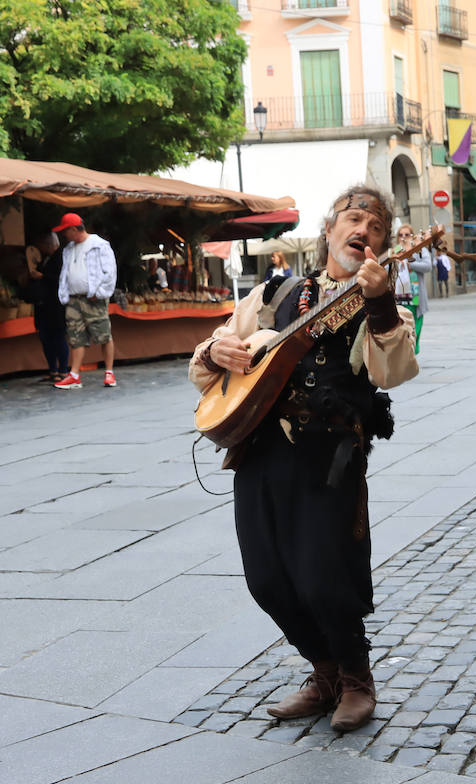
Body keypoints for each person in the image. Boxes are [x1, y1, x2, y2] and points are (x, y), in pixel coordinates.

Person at [189, 185, 418, 732]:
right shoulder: (276, 292)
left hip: (329, 459)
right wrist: (214, 350)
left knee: (323, 578)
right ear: (330, 230)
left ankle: (357, 680)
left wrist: (381, 300)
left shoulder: (381, 303)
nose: (363, 229)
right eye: (354, 218)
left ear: (383, 246)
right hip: (261, 453)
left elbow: (394, 371)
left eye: (377, 226)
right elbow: (210, 358)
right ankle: (325, 673)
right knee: (266, 579)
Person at [50, 213, 118, 391]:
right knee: (75, 336)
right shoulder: (69, 249)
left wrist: (100, 292)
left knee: (103, 334)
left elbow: (110, 272)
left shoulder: (99, 245)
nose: (64, 235)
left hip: (92, 298)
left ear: (73, 229)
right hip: (74, 298)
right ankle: (74, 375)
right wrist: (64, 294)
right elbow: (65, 272)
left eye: (65, 231)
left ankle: (109, 372)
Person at [27, 232, 69, 383]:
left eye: (45, 245)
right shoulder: (45, 258)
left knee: (58, 337)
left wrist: (42, 277)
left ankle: (63, 370)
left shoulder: (61, 258)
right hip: (44, 304)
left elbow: (61, 279)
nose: (43, 248)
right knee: (46, 339)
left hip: (56, 305)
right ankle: (52, 369)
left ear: (52, 245)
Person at [393, 224, 432, 354]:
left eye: (407, 234)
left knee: (415, 326)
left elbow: (428, 266)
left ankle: (412, 352)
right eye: (401, 235)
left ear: (412, 236)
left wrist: (410, 263)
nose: (404, 237)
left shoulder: (419, 249)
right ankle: (404, 353)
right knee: (399, 329)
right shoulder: (395, 251)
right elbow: (386, 269)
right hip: (398, 297)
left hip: (415, 296)